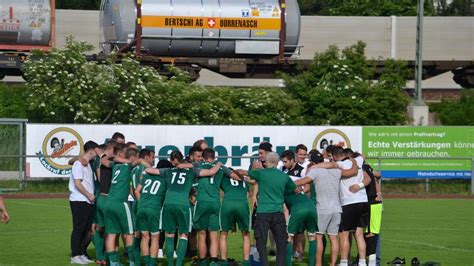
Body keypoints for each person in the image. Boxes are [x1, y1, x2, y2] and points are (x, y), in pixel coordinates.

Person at [146, 150, 222, 266]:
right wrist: (219, 164)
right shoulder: (191, 171)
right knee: (183, 234)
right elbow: (211, 172)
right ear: (182, 159)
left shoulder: (168, 171)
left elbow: (148, 170)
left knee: (169, 235)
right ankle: (179, 263)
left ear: (171, 161)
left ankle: (170, 263)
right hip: (183, 204)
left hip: (168, 204)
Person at [295, 150, 357, 266]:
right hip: (337, 209)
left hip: (323, 209)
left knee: (318, 237)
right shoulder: (336, 171)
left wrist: (286, 183)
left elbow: (303, 181)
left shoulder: (314, 171)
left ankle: (318, 263)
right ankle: (333, 264)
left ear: (313, 162)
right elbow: (353, 172)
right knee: (333, 238)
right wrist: (353, 161)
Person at [312, 147, 369, 266]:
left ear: (335, 156)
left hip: (349, 202)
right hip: (363, 201)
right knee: (359, 234)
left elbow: (326, 166)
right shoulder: (357, 160)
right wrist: (356, 161)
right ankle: (363, 262)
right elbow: (364, 155)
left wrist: (314, 167)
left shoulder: (339, 164)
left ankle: (343, 263)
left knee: (344, 234)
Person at [239, 152, 298, 266]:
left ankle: (264, 264)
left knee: (261, 241)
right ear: (277, 163)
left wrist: (233, 172)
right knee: (281, 243)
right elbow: (295, 189)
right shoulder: (284, 176)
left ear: (266, 162)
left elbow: (243, 172)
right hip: (278, 213)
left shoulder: (261, 173)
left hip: (263, 213)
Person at [101, 147, 141, 266]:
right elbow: (136, 162)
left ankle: (113, 262)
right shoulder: (129, 166)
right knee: (129, 233)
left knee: (111, 233)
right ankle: (132, 262)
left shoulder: (115, 165)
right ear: (132, 157)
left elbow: (103, 161)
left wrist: (109, 155)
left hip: (108, 202)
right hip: (120, 203)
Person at [69, 140, 99, 265]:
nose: (97, 153)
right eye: (96, 151)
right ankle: (75, 255)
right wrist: (88, 194)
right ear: (91, 150)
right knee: (78, 228)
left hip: (88, 201)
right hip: (79, 200)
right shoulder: (78, 164)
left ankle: (81, 253)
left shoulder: (88, 163)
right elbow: (77, 183)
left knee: (86, 229)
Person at [134, 158, 167, 266]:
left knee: (144, 236)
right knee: (155, 237)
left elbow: (136, 191)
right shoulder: (165, 180)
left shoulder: (147, 176)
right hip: (154, 209)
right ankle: (151, 263)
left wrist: (142, 202)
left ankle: (146, 262)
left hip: (141, 208)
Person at [219, 168, 253, 266]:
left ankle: (224, 262)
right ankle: (246, 262)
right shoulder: (243, 180)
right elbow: (247, 195)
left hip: (228, 203)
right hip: (242, 204)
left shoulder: (224, 178)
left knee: (223, 234)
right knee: (245, 234)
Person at [130, 148, 155, 265]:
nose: (154, 160)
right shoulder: (146, 170)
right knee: (147, 235)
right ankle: (146, 261)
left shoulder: (133, 169)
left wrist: (136, 199)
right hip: (144, 203)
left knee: (137, 232)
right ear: (146, 158)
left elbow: (131, 188)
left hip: (136, 203)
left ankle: (135, 261)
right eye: (152, 157)